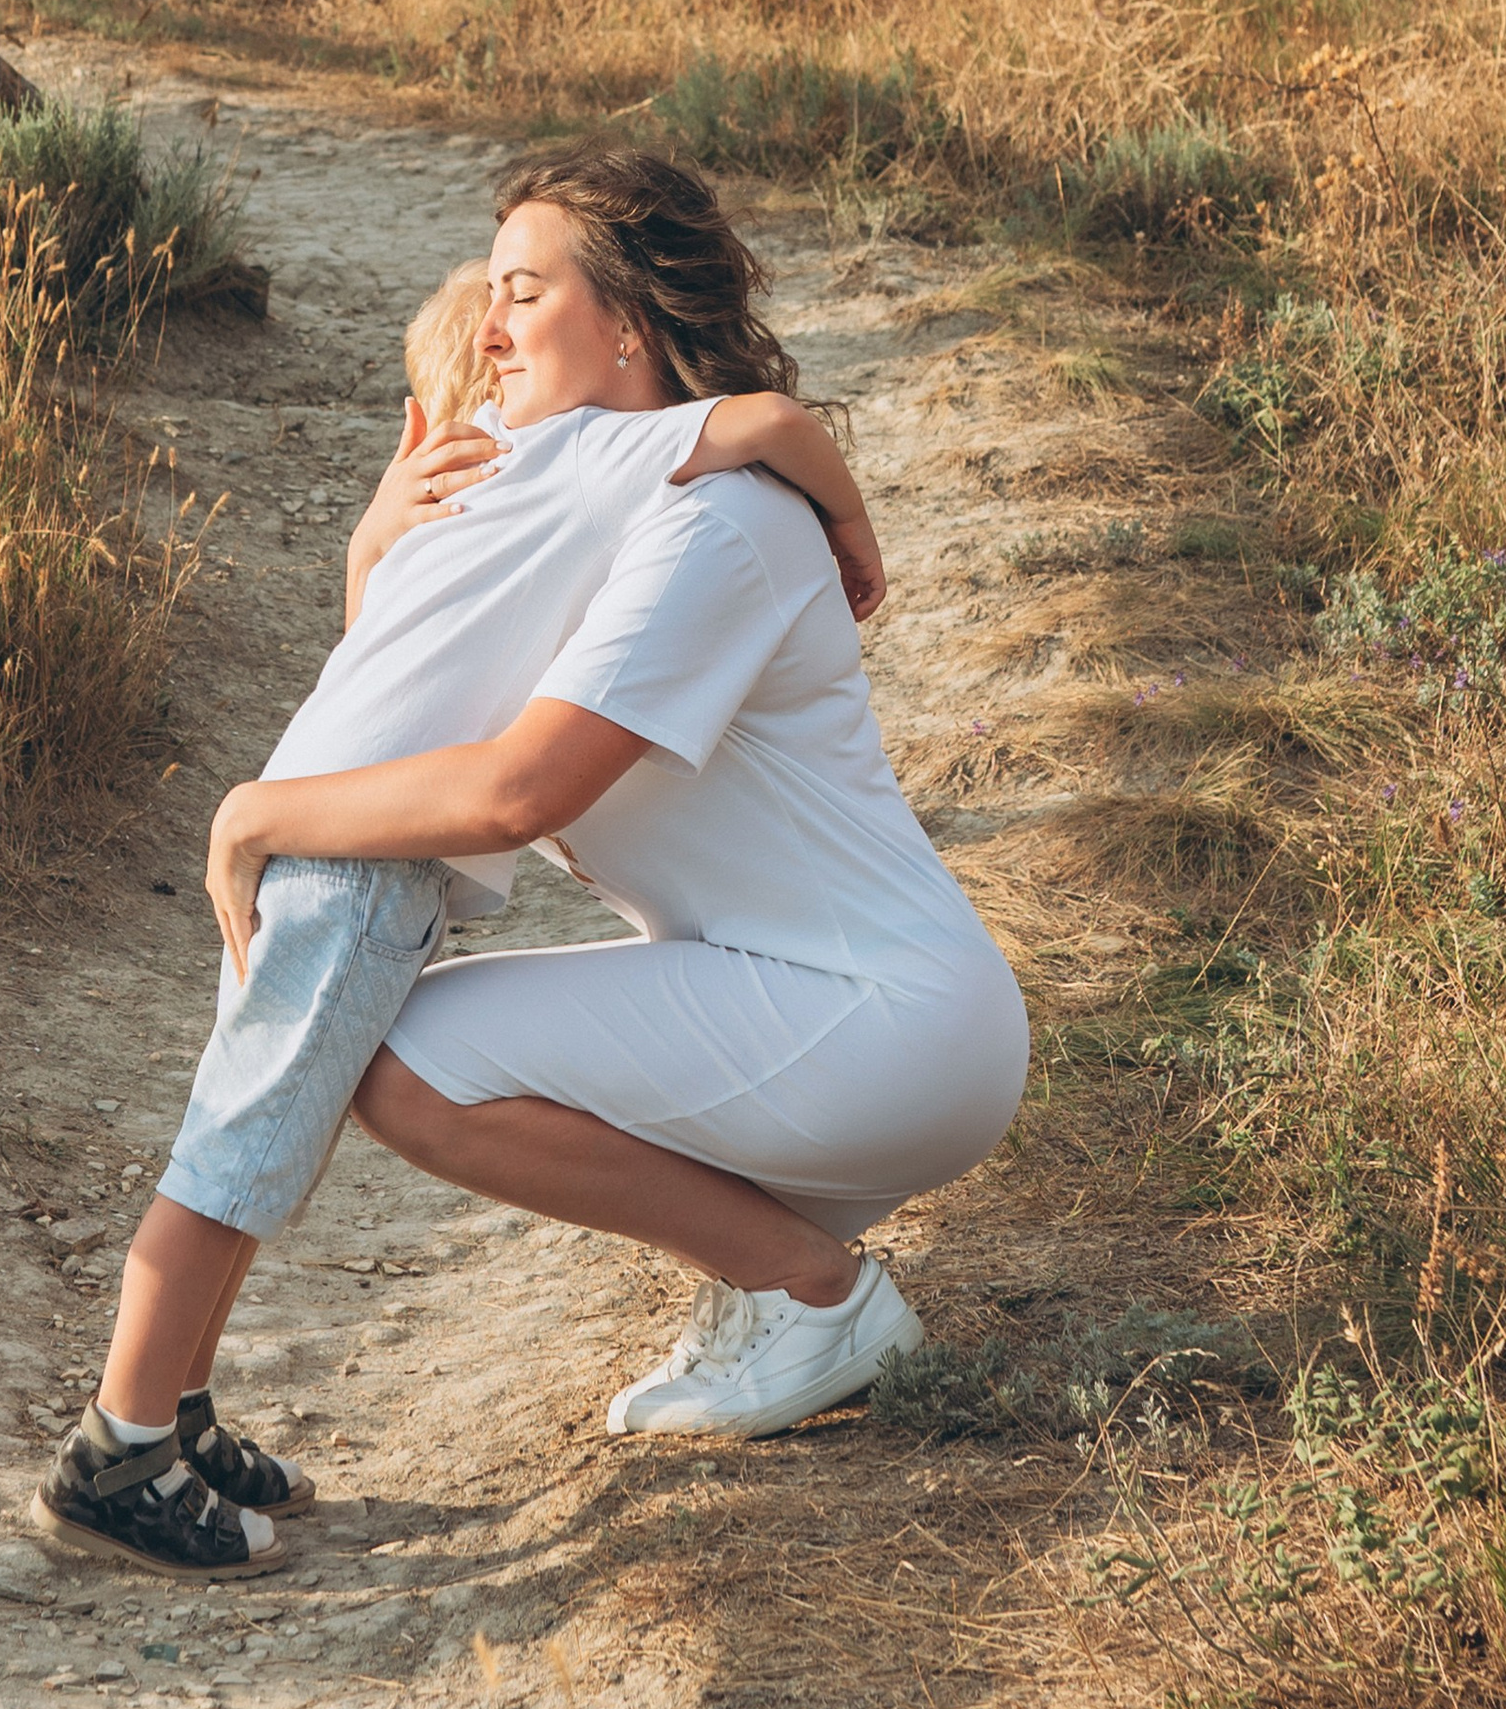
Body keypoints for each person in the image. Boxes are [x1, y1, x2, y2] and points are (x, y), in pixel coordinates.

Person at [31, 183, 884, 1575]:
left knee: (266, 1132)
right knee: (241, 1151)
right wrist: (854, 538)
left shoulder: (448, 515)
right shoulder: (587, 453)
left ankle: (175, 1405)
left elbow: (392, 641)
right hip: (357, 865)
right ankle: (117, 1450)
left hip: (323, 835)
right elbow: (778, 425)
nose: (503, 341)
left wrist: (389, 508)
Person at [205, 144, 1030, 1449]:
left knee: (407, 1063)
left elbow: (508, 794)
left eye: (524, 292)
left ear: (632, 326)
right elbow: (406, 720)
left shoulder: (715, 524)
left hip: (884, 1021)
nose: (490, 327)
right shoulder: (596, 524)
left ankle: (812, 1295)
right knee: (408, 1050)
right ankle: (782, 1270)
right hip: (801, 995)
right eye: (490, 295)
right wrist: (378, 543)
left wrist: (253, 818)